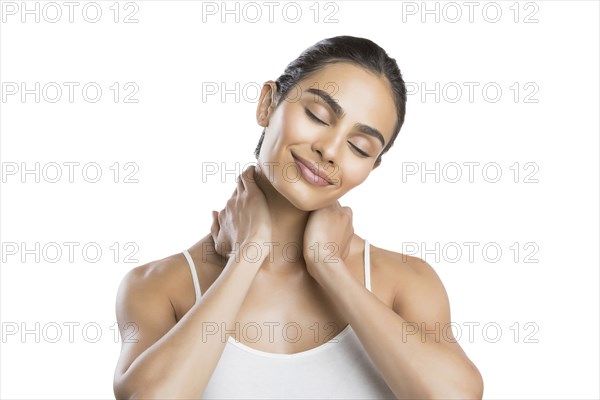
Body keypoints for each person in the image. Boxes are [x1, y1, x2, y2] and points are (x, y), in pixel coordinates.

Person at [112, 35, 484, 399]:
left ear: (372, 166)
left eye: (360, 147)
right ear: (267, 104)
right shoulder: (158, 287)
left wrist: (329, 267)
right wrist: (248, 256)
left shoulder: (405, 282)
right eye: (317, 115)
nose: (330, 149)